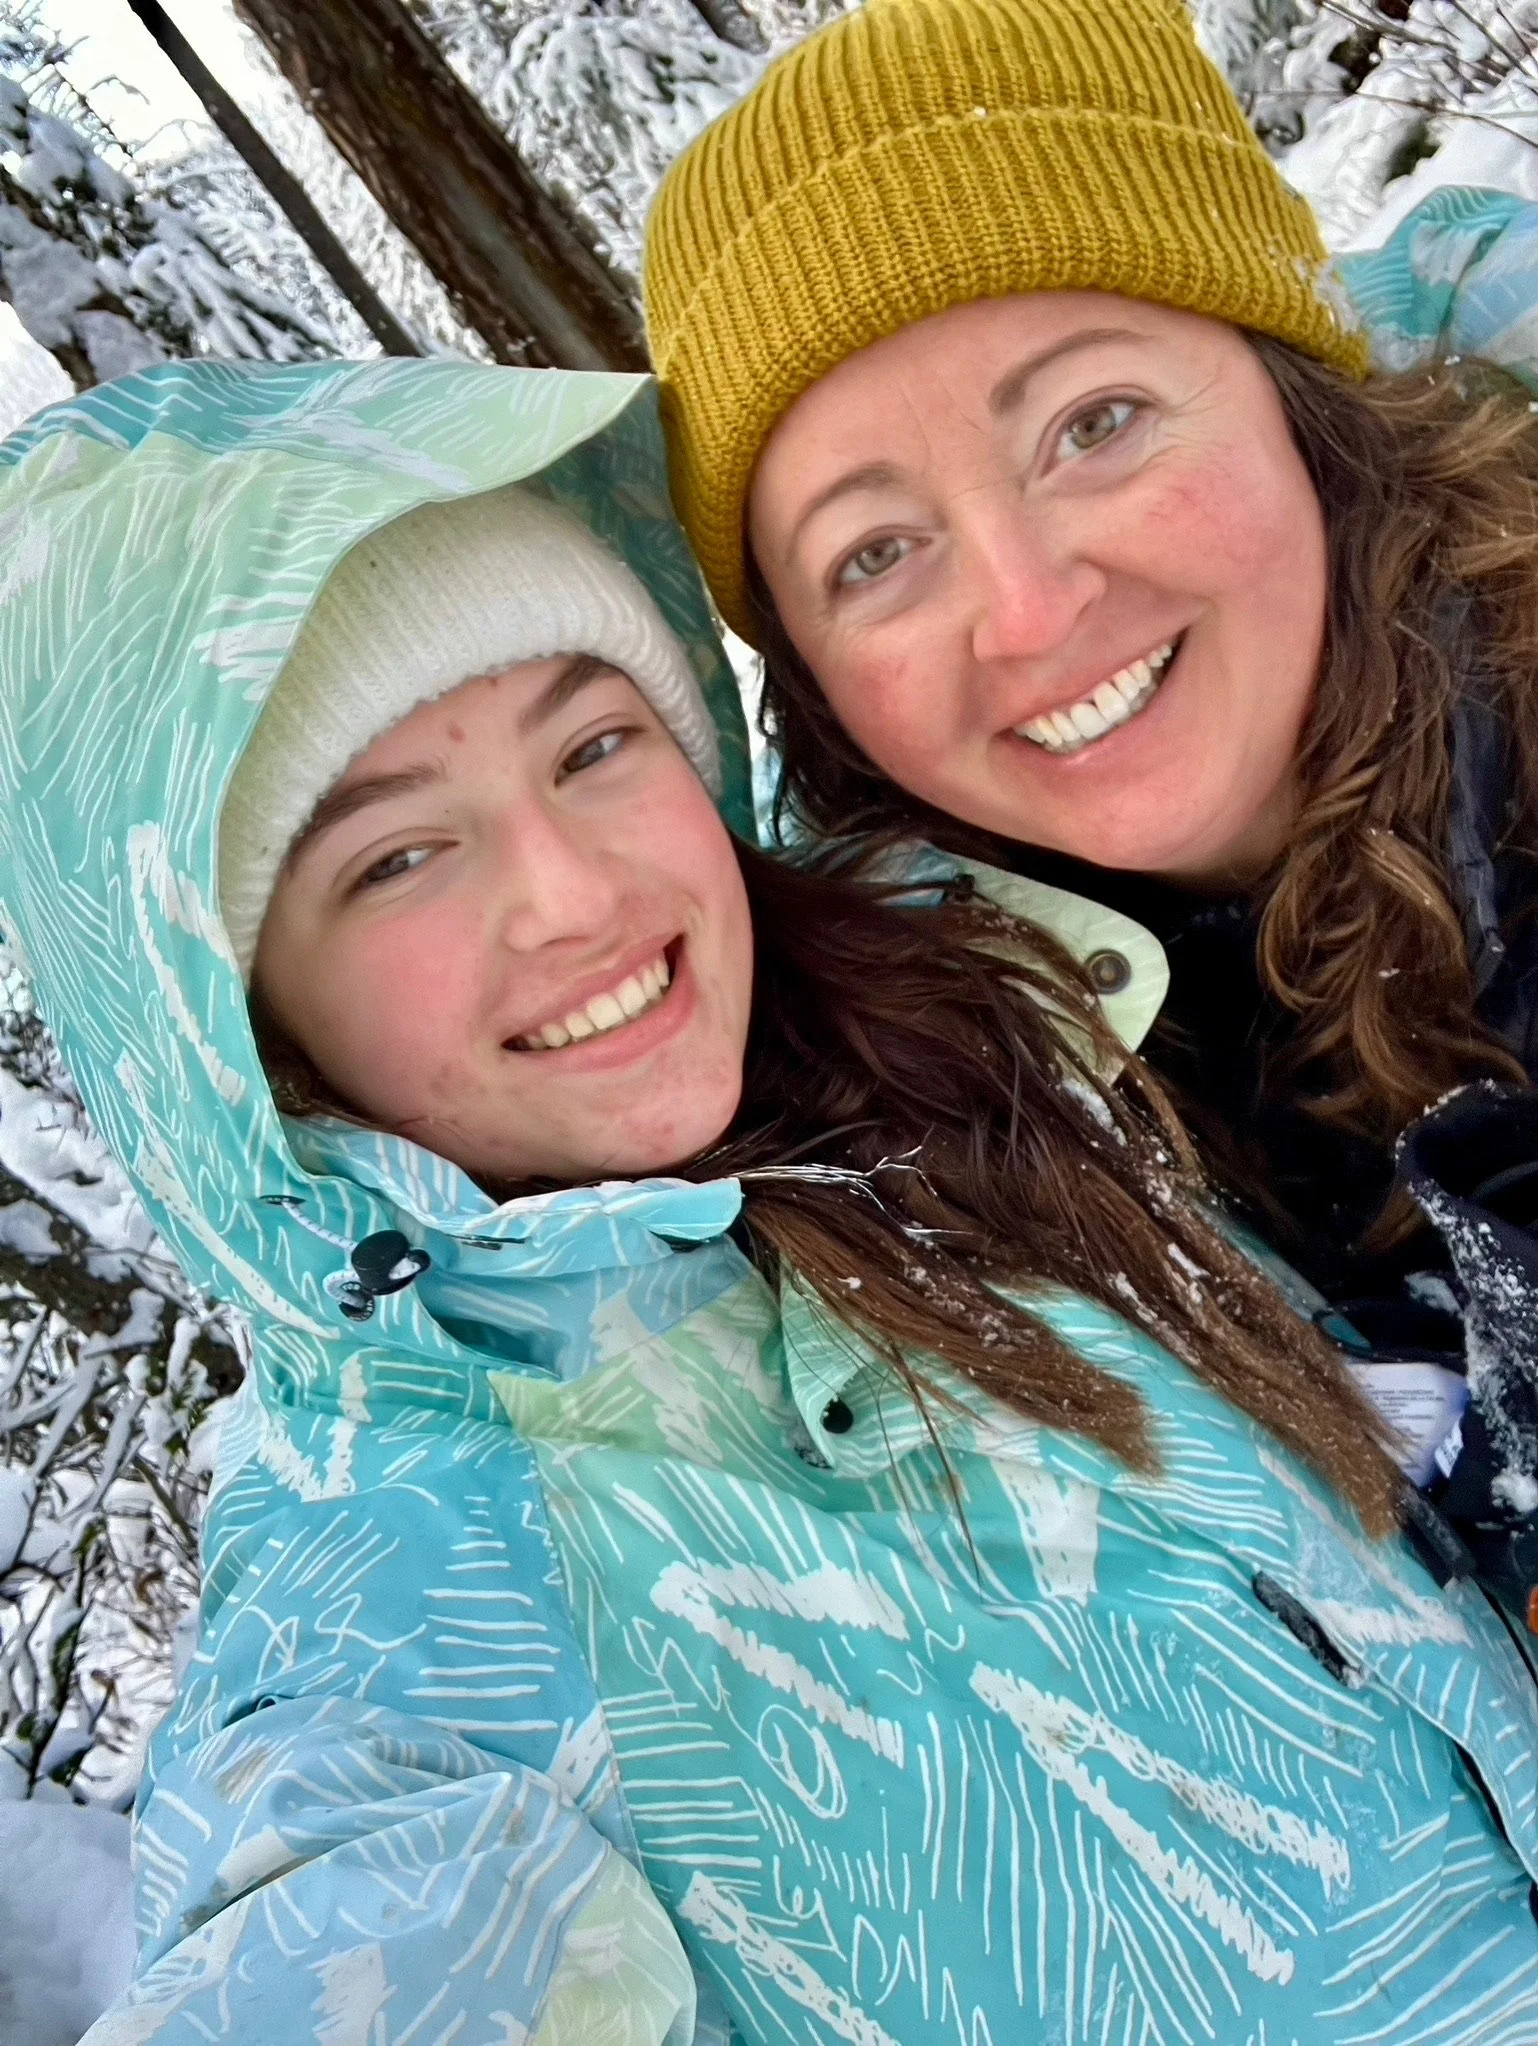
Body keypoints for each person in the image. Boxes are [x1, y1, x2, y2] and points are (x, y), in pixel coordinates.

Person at [7, 358, 1537, 2046]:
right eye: (396, 858)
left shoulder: (945, 1025)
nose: (575, 893)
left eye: (594, 745)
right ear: (234, 1027)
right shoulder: (410, 1607)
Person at [644, 0, 1538, 1608]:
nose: (1029, 608)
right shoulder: (926, 1103)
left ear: (1289, 387)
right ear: (816, 687)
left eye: (1092, 424)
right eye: (874, 553)